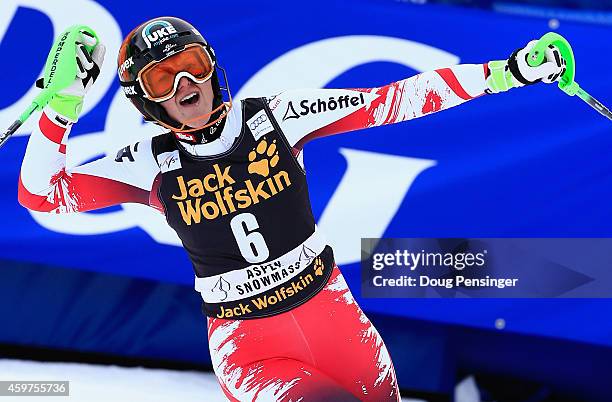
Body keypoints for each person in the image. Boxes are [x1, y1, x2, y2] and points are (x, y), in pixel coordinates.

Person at [17, 17, 566, 402]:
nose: (186, 83)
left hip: (336, 321)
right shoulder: (145, 162)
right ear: (145, 99)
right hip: (250, 348)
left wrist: (509, 71)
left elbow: (394, 99)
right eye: (165, 77)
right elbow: (40, 192)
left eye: (192, 64)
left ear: (213, 67)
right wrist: (59, 109)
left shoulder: (278, 116)